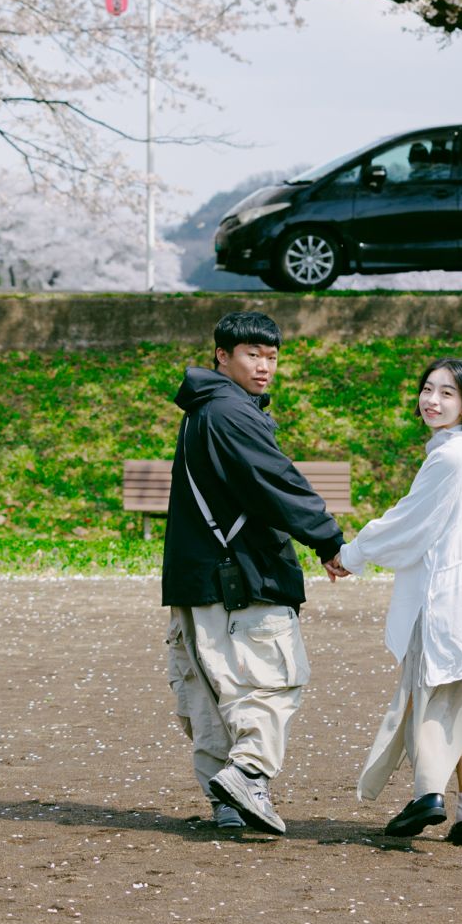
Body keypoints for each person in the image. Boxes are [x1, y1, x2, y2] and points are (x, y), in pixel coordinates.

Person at [163, 310, 345, 836]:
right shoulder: (230, 412)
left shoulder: (205, 408)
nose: (264, 367)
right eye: (252, 355)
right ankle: (246, 775)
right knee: (269, 684)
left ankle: (227, 799)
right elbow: (275, 481)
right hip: (238, 577)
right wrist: (327, 538)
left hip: (196, 580)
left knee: (211, 693)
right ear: (222, 356)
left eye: (271, 358)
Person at [325, 357, 462, 846]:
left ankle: (428, 794)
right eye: (428, 389)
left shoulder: (451, 458)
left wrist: (352, 554)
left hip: (450, 597)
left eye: (447, 393)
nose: (432, 400)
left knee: (429, 694)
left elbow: (410, 521)